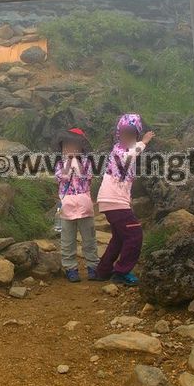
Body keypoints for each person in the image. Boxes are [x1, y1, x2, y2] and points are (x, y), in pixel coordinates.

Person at [95, 114, 154, 286]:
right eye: (124, 133)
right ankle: (121, 272)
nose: (128, 137)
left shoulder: (122, 151)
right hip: (114, 201)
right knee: (135, 235)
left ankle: (103, 271)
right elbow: (130, 156)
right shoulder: (119, 151)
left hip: (113, 201)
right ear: (118, 134)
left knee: (119, 238)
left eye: (132, 134)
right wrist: (144, 141)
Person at [54, 128, 99, 283]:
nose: (70, 149)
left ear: (81, 147)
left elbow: (84, 176)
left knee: (89, 239)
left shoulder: (87, 161)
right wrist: (68, 163)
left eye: (73, 145)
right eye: (66, 146)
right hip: (67, 208)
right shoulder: (59, 163)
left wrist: (76, 161)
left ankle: (93, 266)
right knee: (67, 240)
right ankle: (70, 268)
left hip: (85, 206)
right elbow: (62, 177)